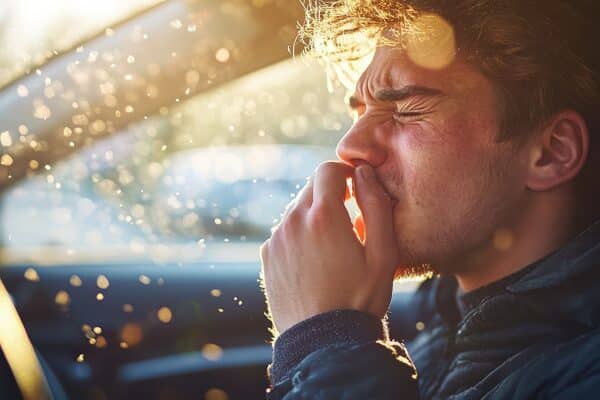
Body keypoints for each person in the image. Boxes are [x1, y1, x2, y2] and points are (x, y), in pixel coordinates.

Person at [260, 0, 600, 398]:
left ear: (551, 152)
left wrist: (325, 340)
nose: (349, 146)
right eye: (361, 113)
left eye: (405, 108)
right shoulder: (443, 334)